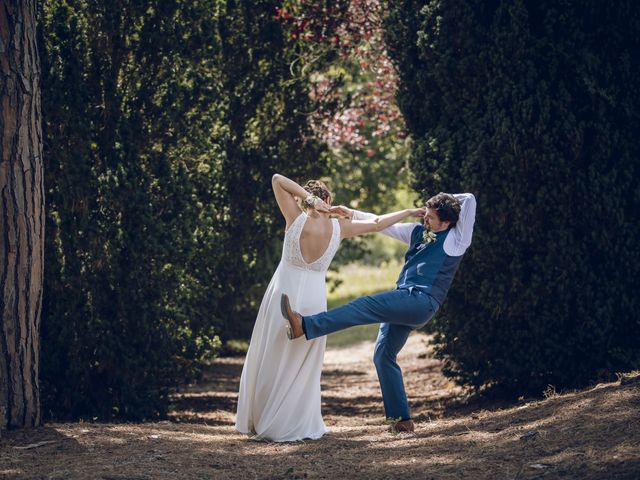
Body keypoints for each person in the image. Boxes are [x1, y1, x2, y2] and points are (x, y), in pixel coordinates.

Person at [235, 173, 425, 442]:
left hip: (284, 290)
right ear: (328, 200)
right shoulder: (340, 228)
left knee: (273, 353)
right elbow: (378, 224)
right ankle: (294, 421)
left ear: (305, 201)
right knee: (303, 363)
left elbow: (277, 179)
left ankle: (266, 419)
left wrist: (308, 199)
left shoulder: (295, 218)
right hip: (313, 298)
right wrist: (409, 211)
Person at [281, 192, 476, 433]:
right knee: (383, 356)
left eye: (431, 217)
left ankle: (306, 326)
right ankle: (401, 420)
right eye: (425, 214)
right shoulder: (417, 232)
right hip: (406, 301)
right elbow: (382, 224)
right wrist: (351, 214)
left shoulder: (457, 239)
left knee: (365, 305)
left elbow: (469, 199)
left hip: (420, 301)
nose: (425, 219)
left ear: (446, 223)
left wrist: (444, 198)